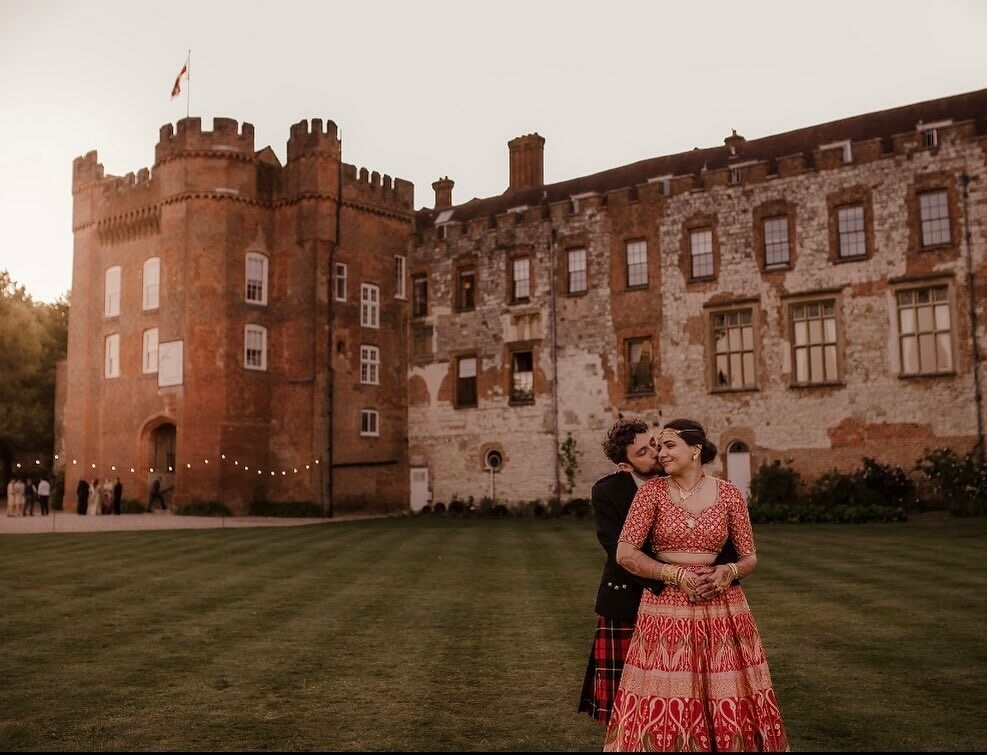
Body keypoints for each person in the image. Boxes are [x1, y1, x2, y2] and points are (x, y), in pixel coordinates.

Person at [603, 419, 788, 752]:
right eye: (658, 446)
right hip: (666, 610)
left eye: (669, 445)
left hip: (721, 607)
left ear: (695, 449)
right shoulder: (651, 494)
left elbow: (750, 557)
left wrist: (728, 571)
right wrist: (675, 575)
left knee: (723, 690)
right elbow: (625, 553)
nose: (661, 453)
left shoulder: (730, 494)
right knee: (670, 694)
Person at [579, 417, 738, 726]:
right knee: (623, 702)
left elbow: (720, 536)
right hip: (629, 600)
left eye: (654, 443)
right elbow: (618, 552)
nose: (655, 453)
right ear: (624, 464)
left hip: (688, 601)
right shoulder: (609, 491)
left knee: (683, 695)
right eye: (642, 452)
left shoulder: (688, 481)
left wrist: (721, 573)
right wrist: (672, 578)